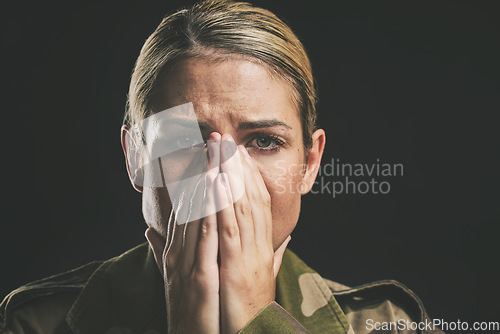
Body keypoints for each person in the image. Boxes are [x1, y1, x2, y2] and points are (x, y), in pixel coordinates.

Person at [0, 1, 443, 333]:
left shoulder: (388, 323)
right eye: (185, 141)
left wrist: (256, 321)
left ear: (309, 164)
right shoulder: (33, 325)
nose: (222, 177)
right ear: (136, 158)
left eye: (265, 142)